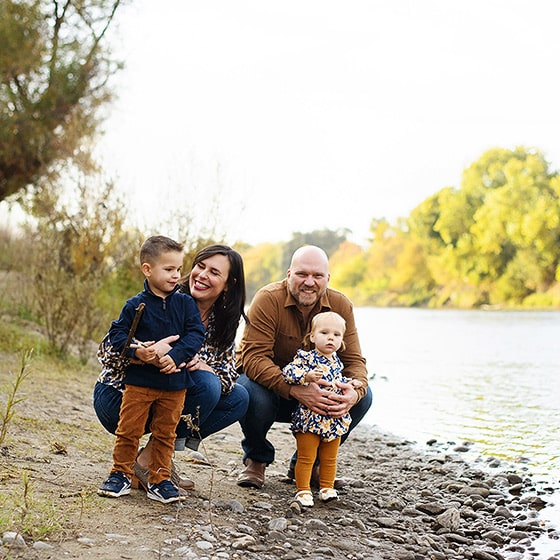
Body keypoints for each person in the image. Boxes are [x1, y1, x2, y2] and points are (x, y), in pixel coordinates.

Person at [94, 244, 249, 492]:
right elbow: (106, 350)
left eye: (214, 272)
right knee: (206, 386)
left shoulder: (224, 321)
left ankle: (150, 461)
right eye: (200, 266)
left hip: (169, 399)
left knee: (238, 397)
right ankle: (140, 465)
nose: (202, 275)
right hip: (120, 397)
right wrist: (144, 353)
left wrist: (202, 365)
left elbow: (230, 374)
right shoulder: (162, 295)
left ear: (229, 283)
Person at [236, 245, 373, 490]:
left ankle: (309, 463)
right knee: (248, 391)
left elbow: (354, 362)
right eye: (302, 274)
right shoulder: (268, 299)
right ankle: (256, 458)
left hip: (320, 394)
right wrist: (296, 390)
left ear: (327, 279)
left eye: (317, 276)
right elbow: (253, 358)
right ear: (289, 274)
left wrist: (355, 390)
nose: (309, 282)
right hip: (273, 390)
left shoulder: (341, 305)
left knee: (364, 397)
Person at [97, 235, 206, 504]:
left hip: (174, 384)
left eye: (179, 269)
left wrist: (177, 356)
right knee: (129, 429)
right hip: (139, 383)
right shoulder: (136, 305)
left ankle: (159, 478)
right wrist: (138, 352)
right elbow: (118, 335)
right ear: (147, 269)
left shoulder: (185, 304)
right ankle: (120, 473)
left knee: (165, 433)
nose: (176, 275)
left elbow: (196, 334)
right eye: (169, 269)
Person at [282, 311, 364, 507]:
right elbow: (288, 372)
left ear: (342, 340)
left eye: (336, 335)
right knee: (306, 456)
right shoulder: (306, 358)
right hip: (310, 417)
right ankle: (303, 490)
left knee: (329, 457)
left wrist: (351, 382)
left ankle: (327, 487)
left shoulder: (337, 361)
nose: (330, 338)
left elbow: (337, 380)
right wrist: (307, 376)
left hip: (333, 419)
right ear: (312, 336)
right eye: (324, 332)